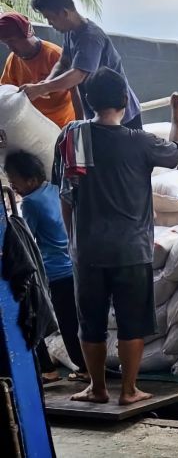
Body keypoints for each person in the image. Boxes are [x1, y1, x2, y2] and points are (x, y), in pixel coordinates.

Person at [53, 67, 178, 406]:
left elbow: (67, 195)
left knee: (91, 322)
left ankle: (97, 388)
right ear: (125, 101)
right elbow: (176, 151)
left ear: (86, 100)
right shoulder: (139, 142)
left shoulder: (73, 137)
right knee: (131, 322)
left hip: (88, 250)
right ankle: (129, 390)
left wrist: (73, 240)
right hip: (131, 250)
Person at [4, 150, 87, 383]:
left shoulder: (30, 203)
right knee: (78, 320)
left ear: (30, 180)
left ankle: (76, 368)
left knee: (61, 322)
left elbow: (26, 240)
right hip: (73, 266)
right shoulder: (54, 190)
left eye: (14, 181)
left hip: (53, 272)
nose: (13, 186)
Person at [23, 0, 142, 129]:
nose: (49, 23)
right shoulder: (70, 32)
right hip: (98, 114)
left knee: (129, 151)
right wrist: (45, 84)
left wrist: (42, 89)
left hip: (120, 113)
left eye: (50, 18)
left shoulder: (90, 37)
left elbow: (78, 75)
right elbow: (63, 63)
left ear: (64, 13)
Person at [0, 12, 76, 128]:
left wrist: (79, 127)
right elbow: (5, 91)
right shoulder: (13, 59)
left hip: (60, 126)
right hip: (29, 125)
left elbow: (77, 92)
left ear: (26, 34)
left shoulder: (55, 55)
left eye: (12, 41)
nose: (10, 47)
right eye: (5, 43)